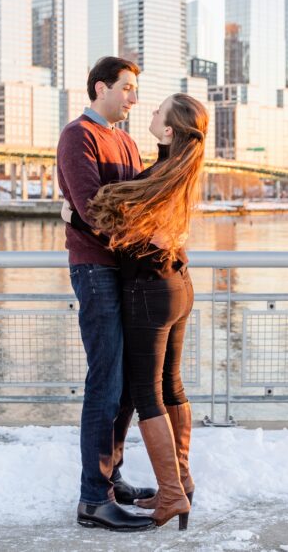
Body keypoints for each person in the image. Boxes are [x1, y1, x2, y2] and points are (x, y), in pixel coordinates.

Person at [68, 93, 208, 529]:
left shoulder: (161, 175)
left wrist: (71, 219)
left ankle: (171, 494)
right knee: (170, 386)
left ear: (169, 131)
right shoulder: (177, 170)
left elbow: (125, 226)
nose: (146, 108)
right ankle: (181, 484)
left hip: (151, 289)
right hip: (177, 286)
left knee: (147, 394)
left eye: (157, 110)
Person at [56, 56, 156, 532]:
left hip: (125, 268)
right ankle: (93, 500)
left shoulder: (128, 141)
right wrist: (137, 233)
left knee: (128, 386)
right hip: (95, 270)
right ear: (101, 88)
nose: (134, 97)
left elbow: (137, 200)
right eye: (127, 88)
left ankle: (111, 479)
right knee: (105, 382)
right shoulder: (79, 136)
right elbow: (94, 210)